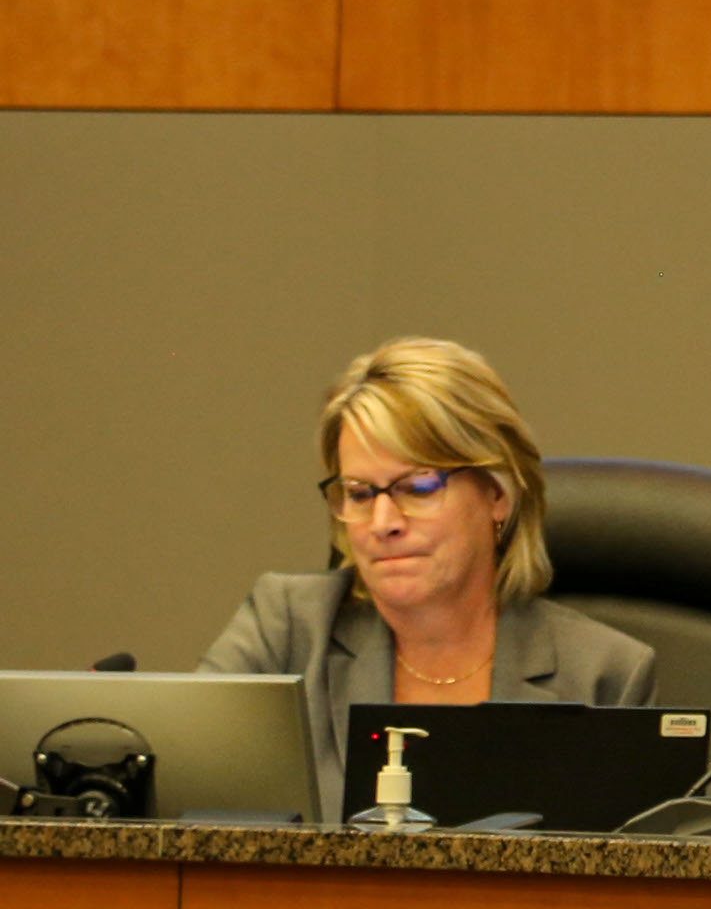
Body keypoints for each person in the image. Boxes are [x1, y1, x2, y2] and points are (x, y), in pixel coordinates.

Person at [204, 338, 657, 815]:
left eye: (418, 487)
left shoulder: (604, 677)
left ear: (497, 495)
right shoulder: (287, 631)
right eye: (359, 494)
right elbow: (178, 793)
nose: (383, 522)